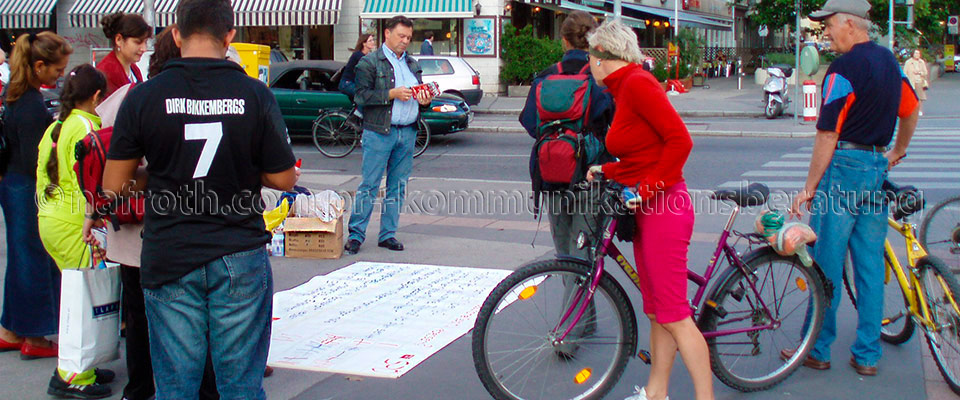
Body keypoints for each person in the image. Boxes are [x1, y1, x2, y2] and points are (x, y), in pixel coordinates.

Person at [103, 0, 297, 397]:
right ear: (229, 36)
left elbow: (114, 186)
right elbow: (283, 178)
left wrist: (160, 173)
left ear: (176, 34)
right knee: (241, 385)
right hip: (239, 250)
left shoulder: (142, 97)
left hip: (169, 250)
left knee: (176, 387)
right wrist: (242, 168)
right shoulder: (255, 94)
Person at [583, 19, 713, 400]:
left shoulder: (638, 84)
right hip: (647, 209)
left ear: (602, 57)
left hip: (664, 209)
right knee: (657, 312)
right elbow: (645, 152)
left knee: (675, 316)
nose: (588, 64)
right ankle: (657, 392)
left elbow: (680, 142)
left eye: (590, 56)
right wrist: (607, 169)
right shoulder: (625, 88)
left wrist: (649, 187)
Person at [789, 0, 919, 377]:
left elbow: (828, 133)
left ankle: (818, 347)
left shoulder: (843, 69)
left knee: (826, 262)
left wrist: (810, 187)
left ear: (850, 23)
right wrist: (898, 150)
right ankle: (867, 355)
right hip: (876, 167)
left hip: (844, 168)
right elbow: (909, 112)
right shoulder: (890, 64)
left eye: (828, 24)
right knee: (868, 265)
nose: (826, 33)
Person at [36, 63, 116, 399]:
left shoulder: (57, 125)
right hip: (74, 224)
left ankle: (82, 364)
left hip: (51, 220)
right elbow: (90, 178)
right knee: (82, 302)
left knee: (78, 295)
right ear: (97, 96)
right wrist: (96, 216)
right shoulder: (85, 127)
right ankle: (73, 376)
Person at [519, 10, 613, 261]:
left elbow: (530, 123)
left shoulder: (545, 76)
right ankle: (578, 301)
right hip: (590, 177)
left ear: (564, 40)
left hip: (552, 175)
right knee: (584, 257)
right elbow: (613, 124)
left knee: (564, 258)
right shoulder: (599, 79)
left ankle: (574, 300)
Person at [0, 32, 70, 363]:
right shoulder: (30, 104)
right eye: (57, 71)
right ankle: (35, 335)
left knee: (20, 256)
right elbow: (34, 161)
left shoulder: (16, 95)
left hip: (12, 182)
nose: (59, 77)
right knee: (34, 258)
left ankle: (11, 329)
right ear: (39, 66)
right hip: (26, 184)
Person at [343, 15, 434, 255]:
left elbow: (418, 95)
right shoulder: (369, 62)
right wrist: (391, 93)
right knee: (370, 184)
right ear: (387, 34)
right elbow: (361, 96)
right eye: (401, 36)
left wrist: (424, 101)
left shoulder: (412, 64)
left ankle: (387, 234)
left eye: (408, 38)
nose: (405, 41)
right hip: (380, 131)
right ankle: (355, 235)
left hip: (407, 131)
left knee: (398, 186)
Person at [96, 12, 151, 97]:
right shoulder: (107, 72)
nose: (144, 49)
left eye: (145, 42)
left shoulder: (134, 69)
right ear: (119, 40)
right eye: (138, 42)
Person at [339, 33, 377, 98]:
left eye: (373, 40)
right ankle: (359, 108)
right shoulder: (358, 56)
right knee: (363, 95)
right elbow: (369, 70)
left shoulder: (368, 56)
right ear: (364, 43)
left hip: (356, 84)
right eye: (370, 41)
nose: (373, 42)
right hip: (347, 83)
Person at [903, 49, 928, 116]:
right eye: (916, 53)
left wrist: (919, 73)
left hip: (919, 81)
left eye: (918, 53)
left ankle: (920, 110)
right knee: (911, 97)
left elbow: (925, 72)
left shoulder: (921, 62)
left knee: (920, 97)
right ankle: (911, 111)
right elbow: (905, 73)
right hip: (911, 82)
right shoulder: (908, 62)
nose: (917, 55)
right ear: (913, 54)